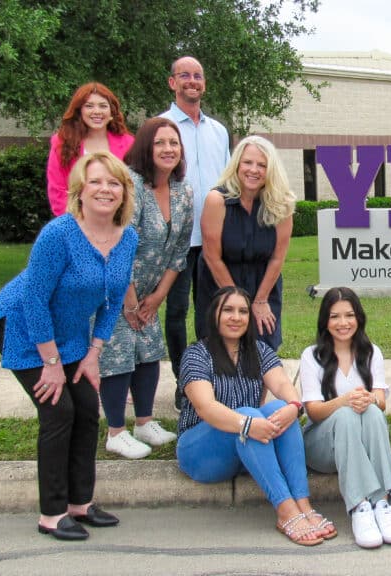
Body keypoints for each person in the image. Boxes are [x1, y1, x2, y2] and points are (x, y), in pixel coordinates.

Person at [0, 152, 138, 540]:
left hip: (71, 333)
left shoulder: (128, 238)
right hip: (23, 326)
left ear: (124, 192)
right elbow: (35, 299)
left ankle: (79, 503)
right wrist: (51, 363)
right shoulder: (59, 234)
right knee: (59, 411)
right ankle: (52, 513)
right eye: (96, 182)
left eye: (114, 183)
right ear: (79, 191)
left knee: (87, 408)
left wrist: (94, 354)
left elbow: (113, 299)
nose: (105, 189)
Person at [177, 286, 337, 546]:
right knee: (249, 415)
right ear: (214, 314)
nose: (236, 317)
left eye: (243, 311)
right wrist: (247, 423)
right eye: (228, 310)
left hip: (246, 446)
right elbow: (205, 407)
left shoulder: (258, 350)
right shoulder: (197, 354)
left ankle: (303, 504)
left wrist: (293, 405)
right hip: (200, 451)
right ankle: (286, 511)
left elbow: (282, 385)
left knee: (279, 409)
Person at [97, 118, 193, 459]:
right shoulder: (131, 185)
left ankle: (144, 422)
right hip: (115, 290)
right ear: (145, 148)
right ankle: (115, 432)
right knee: (119, 354)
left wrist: (157, 297)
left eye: (174, 143)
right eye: (160, 143)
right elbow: (118, 247)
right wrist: (131, 303)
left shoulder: (183, 191)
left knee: (150, 351)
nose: (168, 149)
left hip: (150, 292)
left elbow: (180, 250)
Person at [300, 287, 391, 549]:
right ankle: (359, 507)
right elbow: (313, 411)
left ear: (359, 317)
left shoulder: (371, 352)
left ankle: (382, 504)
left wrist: (369, 399)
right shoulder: (311, 356)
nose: (343, 323)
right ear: (325, 321)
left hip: (359, 445)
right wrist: (343, 401)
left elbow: (381, 401)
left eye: (349, 315)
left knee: (372, 411)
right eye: (335, 316)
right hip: (322, 447)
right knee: (346, 415)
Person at [160, 56, 231, 410]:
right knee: (176, 312)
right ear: (172, 83)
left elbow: (229, 182)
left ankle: (207, 376)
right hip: (177, 240)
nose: (192, 81)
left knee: (211, 313)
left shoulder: (218, 131)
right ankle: (182, 381)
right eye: (184, 75)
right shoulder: (162, 127)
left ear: (204, 83)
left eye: (198, 76)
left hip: (214, 240)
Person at [196, 136, 295, 355]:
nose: (254, 170)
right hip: (220, 283)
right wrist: (238, 305)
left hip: (263, 285)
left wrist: (260, 301)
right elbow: (212, 256)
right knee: (221, 353)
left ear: (271, 170)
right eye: (248, 162)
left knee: (262, 352)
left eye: (262, 165)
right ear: (237, 164)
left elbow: (278, 257)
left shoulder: (282, 204)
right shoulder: (216, 200)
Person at [46, 83, 134, 217]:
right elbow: (57, 189)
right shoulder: (62, 143)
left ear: (112, 111)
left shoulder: (129, 143)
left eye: (103, 106)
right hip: (75, 220)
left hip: (119, 219)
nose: (97, 111)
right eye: (89, 106)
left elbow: (133, 187)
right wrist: (76, 222)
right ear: (79, 111)